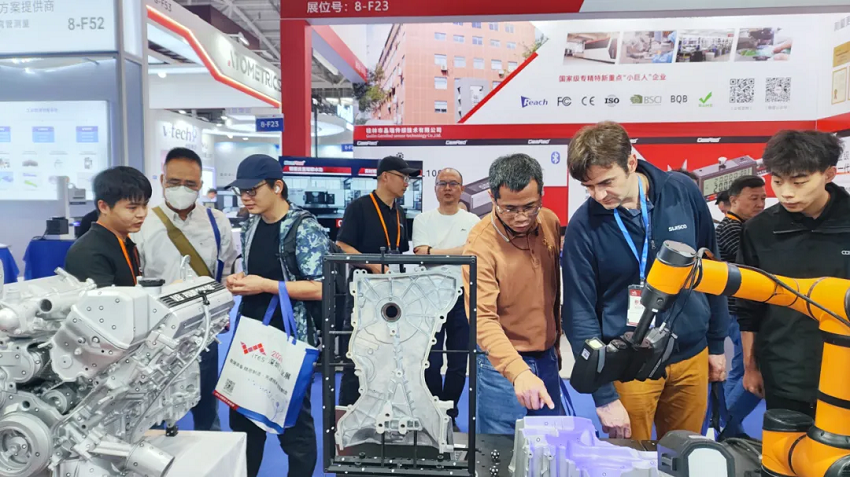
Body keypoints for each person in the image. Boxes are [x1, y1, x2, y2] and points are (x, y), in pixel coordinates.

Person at [563, 121, 728, 441]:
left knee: (685, 455)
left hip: (691, 353)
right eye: (588, 187)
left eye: (606, 182)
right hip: (629, 365)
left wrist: (717, 343)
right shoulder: (583, 227)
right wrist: (604, 395)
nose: (598, 195)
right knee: (629, 459)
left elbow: (712, 268)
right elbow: (579, 312)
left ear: (631, 163)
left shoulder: (681, 191)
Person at [224, 154, 331, 477]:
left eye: (252, 190)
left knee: (294, 427)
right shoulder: (252, 224)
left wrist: (266, 285)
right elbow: (256, 272)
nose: (245, 198)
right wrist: (241, 280)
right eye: (241, 191)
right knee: (243, 420)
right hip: (250, 336)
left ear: (277, 187)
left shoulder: (304, 228)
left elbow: (322, 287)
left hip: (289, 338)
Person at [737, 130, 850, 418]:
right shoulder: (759, 230)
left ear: (829, 174)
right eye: (777, 181)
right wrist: (750, 366)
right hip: (785, 372)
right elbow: (749, 307)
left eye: (799, 182)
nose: (786, 192)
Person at [132, 148, 239, 432]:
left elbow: (226, 270)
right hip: (157, 332)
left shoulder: (217, 221)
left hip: (203, 329)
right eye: (174, 182)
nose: (182, 189)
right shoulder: (143, 222)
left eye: (190, 184)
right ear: (162, 180)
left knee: (206, 408)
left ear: (200, 185)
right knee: (152, 410)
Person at [462, 153, 564, 435]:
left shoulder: (549, 222)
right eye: (509, 209)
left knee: (549, 446)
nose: (521, 217)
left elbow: (552, 289)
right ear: (492, 198)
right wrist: (517, 371)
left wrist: (555, 345)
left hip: (546, 358)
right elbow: (482, 319)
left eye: (529, 207)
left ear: (541, 195)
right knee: (500, 449)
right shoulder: (481, 244)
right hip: (500, 366)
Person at [335, 155, 419, 406]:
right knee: (357, 354)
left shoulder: (399, 212)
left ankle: (383, 408)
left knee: (390, 354)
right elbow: (342, 246)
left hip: (393, 292)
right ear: (385, 177)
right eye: (403, 177)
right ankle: (348, 411)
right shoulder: (359, 207)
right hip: (364, 291)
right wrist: (372, 264)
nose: (407, 183)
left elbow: (399, 251)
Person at [412, 168, 480, 429]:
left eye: (453, 183)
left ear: (461, 188)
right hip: (430, 296)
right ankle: (434, 412)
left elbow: (472, 253)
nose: (448, 188)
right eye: (443, 183)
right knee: (430, 361)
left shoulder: (473, 220)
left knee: (458, 360)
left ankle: (449, 413)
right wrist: (456, 252)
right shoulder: (423, 219)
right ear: (435, 188)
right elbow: (421, 255)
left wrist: (435, 252)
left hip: (462, 296)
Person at [714, 175, 766, 438]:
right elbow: (754, 270)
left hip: (736, 310)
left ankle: (728, 427)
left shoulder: (741, 228)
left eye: (763, 198)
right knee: (753, 371)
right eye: (753, 198)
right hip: (739, 310)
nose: (760, 204)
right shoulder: (733, 230)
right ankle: (727, 425)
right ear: (733, 200)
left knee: (739, 370)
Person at [65, 167, 151, 287]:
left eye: (145, 205)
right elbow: (104, 298)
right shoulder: (89, 252)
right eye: (132, 208)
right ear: (104, 207)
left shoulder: (124, 241)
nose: (142, 214)